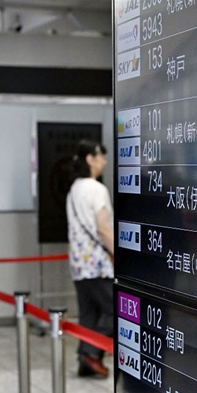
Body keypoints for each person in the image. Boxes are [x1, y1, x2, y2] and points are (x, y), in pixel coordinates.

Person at [66, 139, 115, 378]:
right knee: (115, 310)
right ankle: (90, 352)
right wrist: (118, 252)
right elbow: (104, 228)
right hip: (97, 263)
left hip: (78, 263)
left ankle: (85, 359)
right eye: (101, 156)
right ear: (89, 159)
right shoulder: (97, 189)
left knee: (88, 313)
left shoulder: (74, 188)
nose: (104, 161)